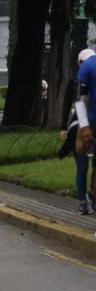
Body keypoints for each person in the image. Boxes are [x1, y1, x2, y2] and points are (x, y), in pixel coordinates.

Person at [60, 49, 96, 214]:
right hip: (80, 126)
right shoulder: (77, 82)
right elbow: (72, 104)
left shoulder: (79, 78)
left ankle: (86, 200)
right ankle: (86, 199)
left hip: (80, 126)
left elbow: (71, 105)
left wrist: (64, 127)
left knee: (82, 166)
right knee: (83, 166)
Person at [74, 49, 96, 214]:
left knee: (83, 163)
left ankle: (86, 199)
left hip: (91, 122)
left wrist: (84, 126)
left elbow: (79, 99)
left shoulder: (86, 67)